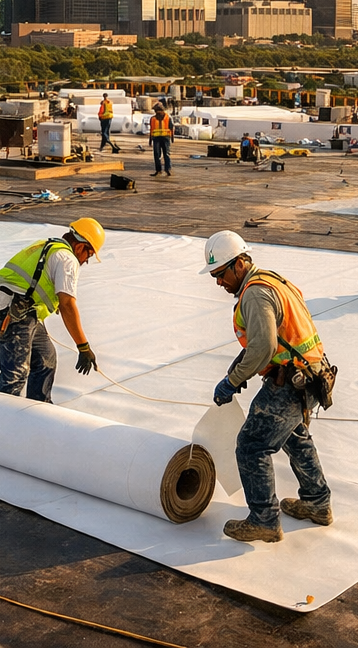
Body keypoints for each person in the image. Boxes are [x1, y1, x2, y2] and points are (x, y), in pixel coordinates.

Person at [202, 231, 333, 543]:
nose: (219, 283)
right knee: (295, 437)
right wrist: (242, 364)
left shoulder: (255, 293)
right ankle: (317, 503)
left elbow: (264, 346)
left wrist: (231, 381)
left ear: (239, 264)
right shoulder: (271, 280)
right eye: (215, 277)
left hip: (291, 382)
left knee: (251, 445)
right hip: (314, 373)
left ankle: (264, 520)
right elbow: (272, 337)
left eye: (220, 274)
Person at [0, 218, 105, 402]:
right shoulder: (67, 259)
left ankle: (39, 408)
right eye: (90, 254)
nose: (86, 261)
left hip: (12, 307)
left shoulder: (47, 245)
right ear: (80, 246)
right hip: (12, 312)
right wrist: (83, 347)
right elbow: (67, 305)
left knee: (46, 359)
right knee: (15, 375)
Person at [149, 102, 173, 176]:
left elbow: (171, 128)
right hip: (156, 139)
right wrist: (150, 139)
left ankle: (167, 169)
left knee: (166, 154)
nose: (157, 112)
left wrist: (172, 138)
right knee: (157, 154)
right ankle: (158, 170)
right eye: (156, 111)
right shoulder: (152, 119)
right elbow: (151, 129)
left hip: (165, 138)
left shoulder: (168, 118)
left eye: (158, 110)